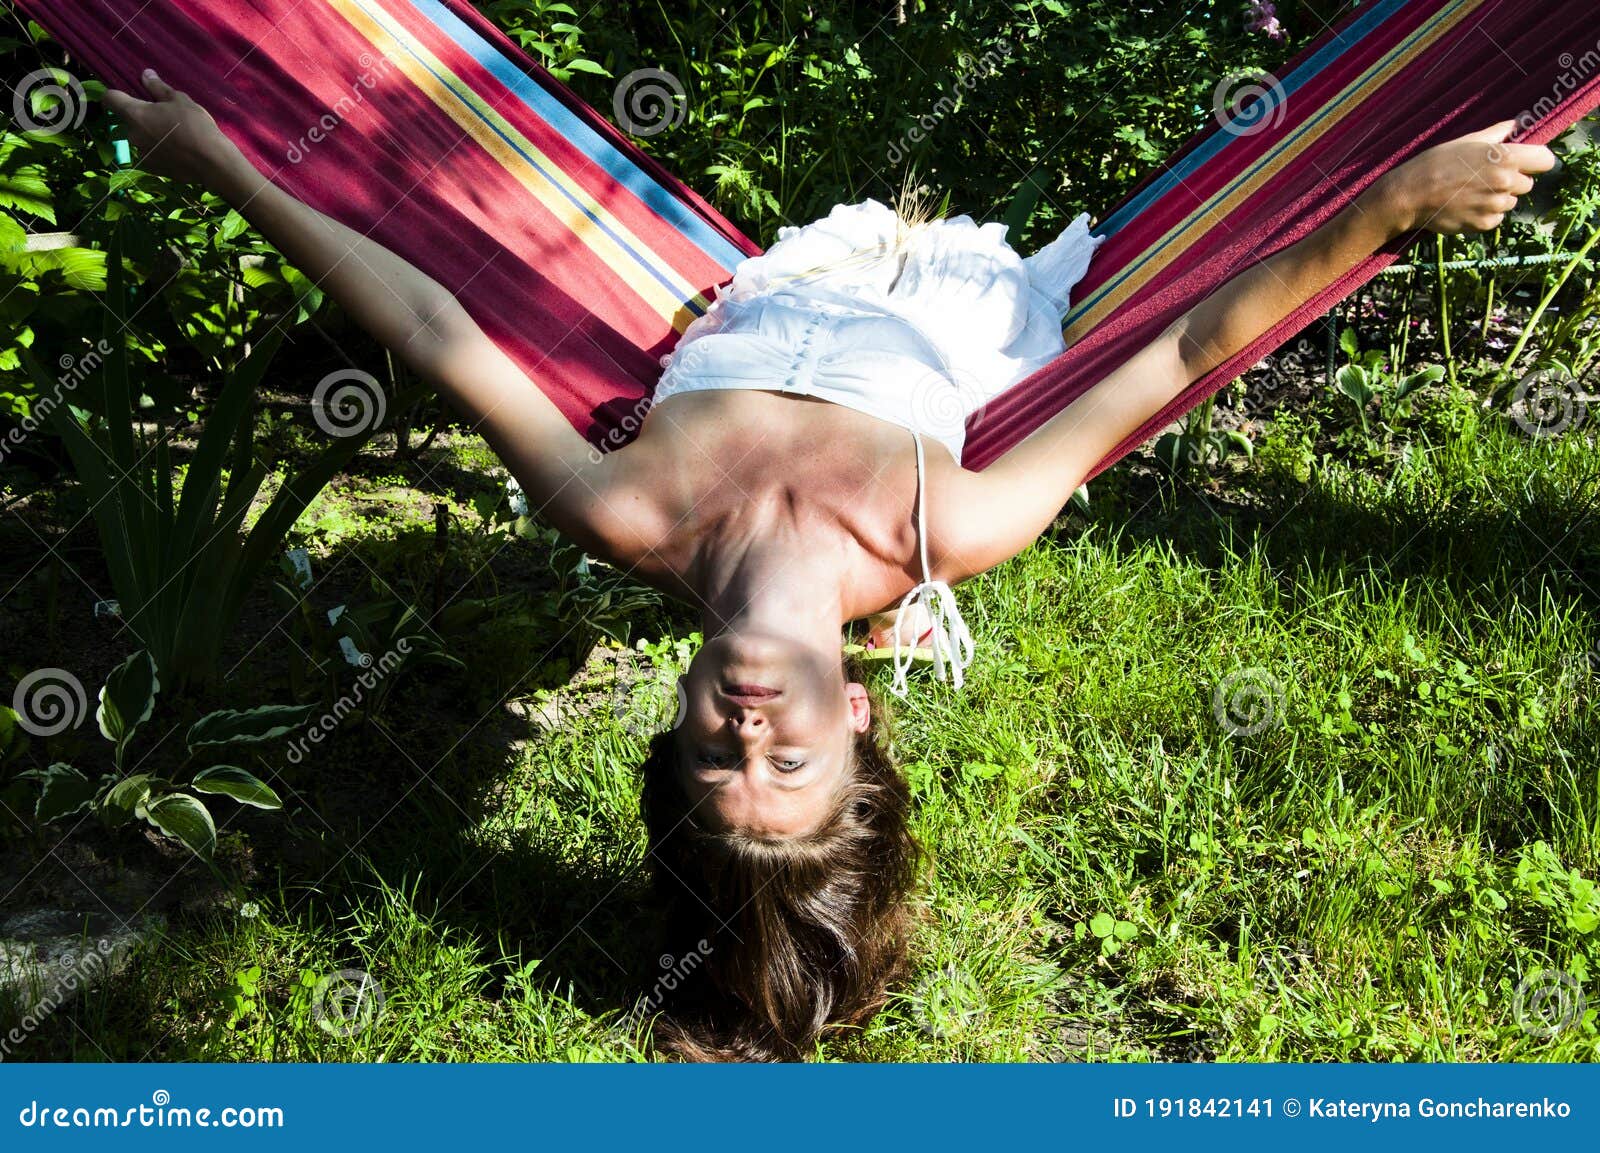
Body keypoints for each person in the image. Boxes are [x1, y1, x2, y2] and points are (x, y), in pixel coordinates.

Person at [105, 69, 1555, 1059]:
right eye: (786, 767)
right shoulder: (949, 522)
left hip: (787, 277)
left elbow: (431, 327)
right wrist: (1394, 203)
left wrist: (224, 161)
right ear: (857, 721)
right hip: (968, 312)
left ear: (674, 720)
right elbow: (1179, 348)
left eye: (712, 761)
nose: (749, 732)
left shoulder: (622, 509)